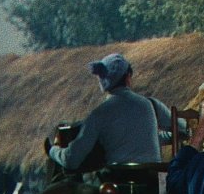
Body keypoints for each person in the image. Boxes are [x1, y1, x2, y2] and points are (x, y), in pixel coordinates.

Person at [46, 53, 185, 170]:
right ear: (128, 77)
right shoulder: (152, 105)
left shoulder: (98, 114)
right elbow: (183, 130)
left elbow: (71, 160)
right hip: (154, 180)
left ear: (102, 81)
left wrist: (52, 150)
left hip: (120, 181)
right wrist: (155, 136)